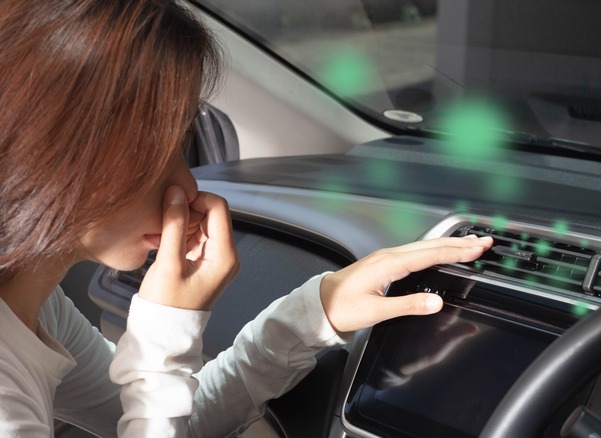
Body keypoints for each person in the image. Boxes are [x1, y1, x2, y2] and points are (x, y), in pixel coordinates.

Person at [0, 1, 493, 436]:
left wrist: (313, 313)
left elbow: (168, 422)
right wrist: (164, 336)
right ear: (52, 152)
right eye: (158, 151)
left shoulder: (35, 306)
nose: (189, 186)